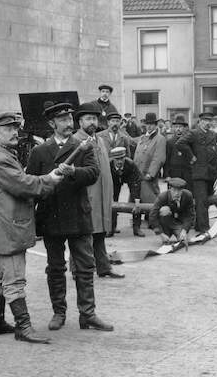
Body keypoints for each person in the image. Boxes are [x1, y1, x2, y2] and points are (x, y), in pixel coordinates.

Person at [26, 101, 112, 333]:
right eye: (62, 120)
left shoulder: (83, 146)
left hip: (77, 214)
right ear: (52, 124)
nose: (68, 124)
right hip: (51, 216)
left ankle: (88, 314)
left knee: (85, 266)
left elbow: (94, 173)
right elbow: (32, 183)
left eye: (69, 119)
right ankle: (59, 312)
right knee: (55, 268)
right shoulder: (39, 151)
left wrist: (74, 171)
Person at [0, 112, 63, 343]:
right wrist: (50, 179)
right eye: (9, 128)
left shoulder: (0, 155)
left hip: (1, 229)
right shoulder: (1, 159)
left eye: (15, 127)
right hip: (9, 231)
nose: (15, 132)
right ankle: (23, 327)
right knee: (15, 280)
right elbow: (24, 185)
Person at [73, 103, 122, 279]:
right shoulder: (76, 141)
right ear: (80, 122)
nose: (92, 122)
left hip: (102, 195)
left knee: (100, 232)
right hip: (87, 195)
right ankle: (77, 268)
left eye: (94, 118)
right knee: (83, 233)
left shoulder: (99, 140)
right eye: (88, 119)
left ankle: (103, 267)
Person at [109, 146, 144, 237]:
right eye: (117, 159)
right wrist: (111, 198)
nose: (119, 161)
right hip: (114, 181)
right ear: (113, 159)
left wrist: (137, 201)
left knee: (136, 201)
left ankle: (137, 228)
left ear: (125, 158)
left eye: (122, 158)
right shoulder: (108, 165)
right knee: (112, 201)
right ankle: (111, 228)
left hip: (130, 178)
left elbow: (136, 184)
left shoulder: (131, 164)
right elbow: (108, 185)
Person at [133, 112, 166, 203]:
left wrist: (151, 173)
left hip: (149, 176)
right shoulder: (142, 138)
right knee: (137, 202)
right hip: (138, 175)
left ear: (155, 125)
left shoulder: (160, 139)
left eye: (151, 124)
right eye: (147, 124)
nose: (149, 126)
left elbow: (159, 158)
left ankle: (150, 217)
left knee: (151, 201)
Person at [149, 177, 195, 243]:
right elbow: (152, 216)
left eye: (179, 191)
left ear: (182, 190)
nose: (176, 193)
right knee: (164, 210)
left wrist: (185, 230)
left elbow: (191, 215)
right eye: (174, 190)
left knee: (183, 241)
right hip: (166, 223)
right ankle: (166, 233)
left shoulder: (188, 195)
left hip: (179, 223)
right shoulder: (162, 197)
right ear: (170, 189)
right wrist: (161, 233)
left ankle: (179, 233)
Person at [165, 114, 196, 193]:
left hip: (187, 174)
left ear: (185, 128)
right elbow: (167, 160)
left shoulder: (189, 142)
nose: (178, 129)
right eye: (176, 127)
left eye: (180, 127)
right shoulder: (170, 142)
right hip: (174, 173)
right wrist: (167, 175)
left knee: (188, 195)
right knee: (173, 195)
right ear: (173, 128)